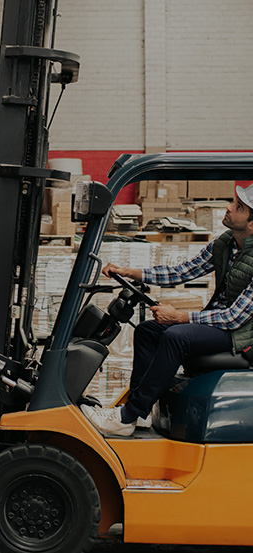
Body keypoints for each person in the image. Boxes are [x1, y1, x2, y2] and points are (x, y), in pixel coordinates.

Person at [82, 184, 253, 437]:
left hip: (241, 336)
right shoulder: (225, 244)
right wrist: (130, 272)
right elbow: (182, 271)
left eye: (238, 207)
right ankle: (138, 415)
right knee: (148, 330)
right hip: (220, 324)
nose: (228, 207)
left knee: (176, 337)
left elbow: (234, 317)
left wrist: (180, 317)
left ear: (251, 224)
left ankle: (127, 415)